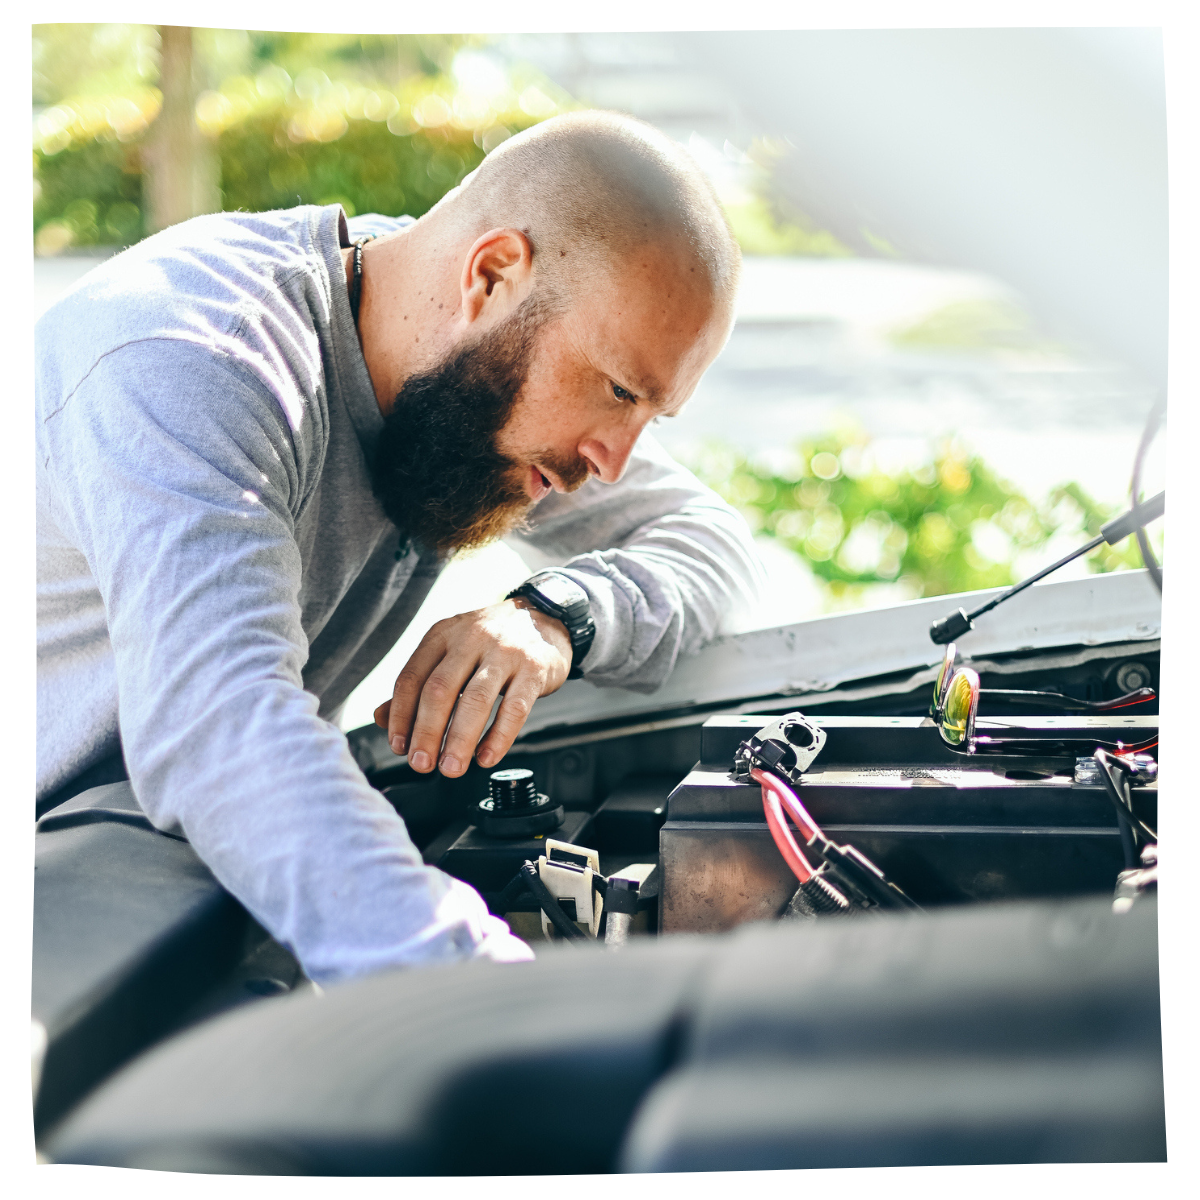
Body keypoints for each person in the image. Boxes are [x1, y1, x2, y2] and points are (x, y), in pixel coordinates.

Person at [34, 112, 764, 981]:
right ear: (491, 274)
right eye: (615, 390)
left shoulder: (442, 355)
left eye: (651, 414)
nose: (612, 461)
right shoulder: (194, 360)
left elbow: (709, 542)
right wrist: (478, 991)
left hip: (156, 890)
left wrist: (555, 617)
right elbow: (221, 729)